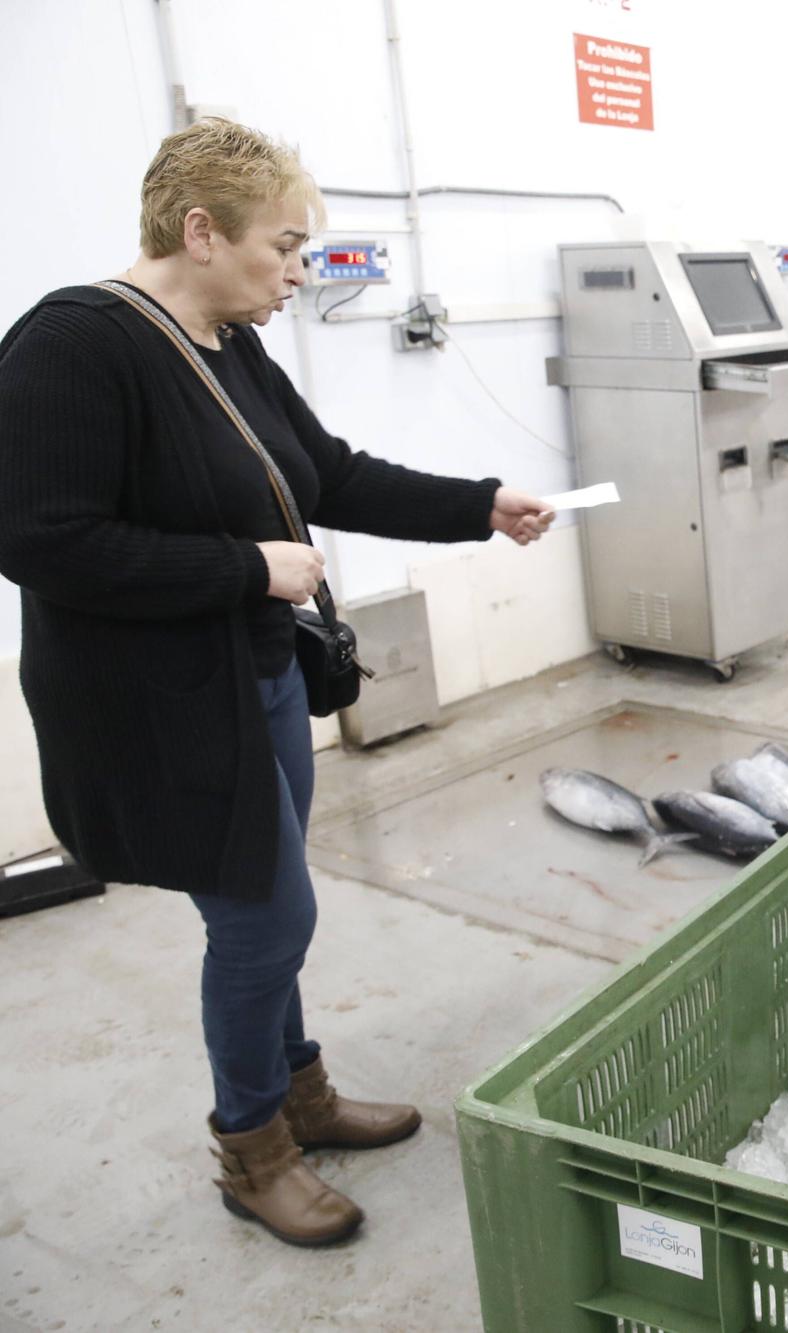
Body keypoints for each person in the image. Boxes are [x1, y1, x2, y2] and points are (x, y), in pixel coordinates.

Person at [0, 119, 556, 1247]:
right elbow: (41, 540)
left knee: (268, 910)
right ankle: (251, 1147)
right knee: (264, 921)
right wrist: (247, 566)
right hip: (158, 703)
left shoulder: (228, 339)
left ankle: (299, 1093)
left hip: (255, 677)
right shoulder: (72, 344)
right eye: (285, 246)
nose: (300, 272)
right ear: (200, 231)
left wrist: (476, 504)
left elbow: (327, 471)